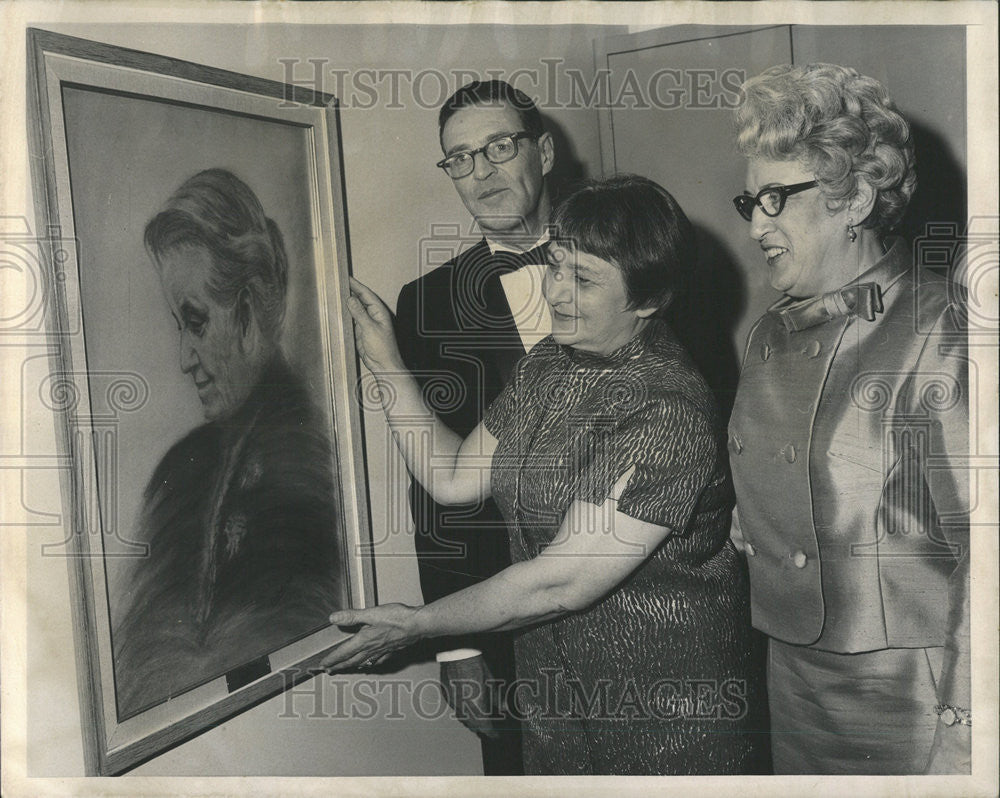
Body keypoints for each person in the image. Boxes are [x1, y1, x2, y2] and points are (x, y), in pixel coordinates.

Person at [323, 175, 762, 775]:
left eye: (583, 279)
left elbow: (560, 583)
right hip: (559, 703)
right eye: (556, 267)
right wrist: (385, 362)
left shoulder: (668, 409)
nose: (556, 291)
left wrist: (420, 625)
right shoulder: (550, 363)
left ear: (648, 299)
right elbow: (454, 477)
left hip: (669, 717)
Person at [727, 63, 970, 774]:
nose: (757, 225)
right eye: (753, 200)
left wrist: (964, 736)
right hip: (795, 677)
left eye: (777, 198)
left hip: (913, 692)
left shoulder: (944, 330)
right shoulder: (769, 333)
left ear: (857, 197)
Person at [112, 169, 344, 719]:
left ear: (250, 308)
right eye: (178, 326)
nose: (184, 359)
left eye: (196, 323)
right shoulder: (182, 468)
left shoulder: (310, 459)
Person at [391, 79, 557, 774]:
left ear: (543, 152)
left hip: (659, 594)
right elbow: (435, 489)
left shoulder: (635, 257)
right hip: (510, 619)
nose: (481, 172)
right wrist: (458, 649)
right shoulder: (428, 303)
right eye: (460, 158)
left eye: (498, 146)